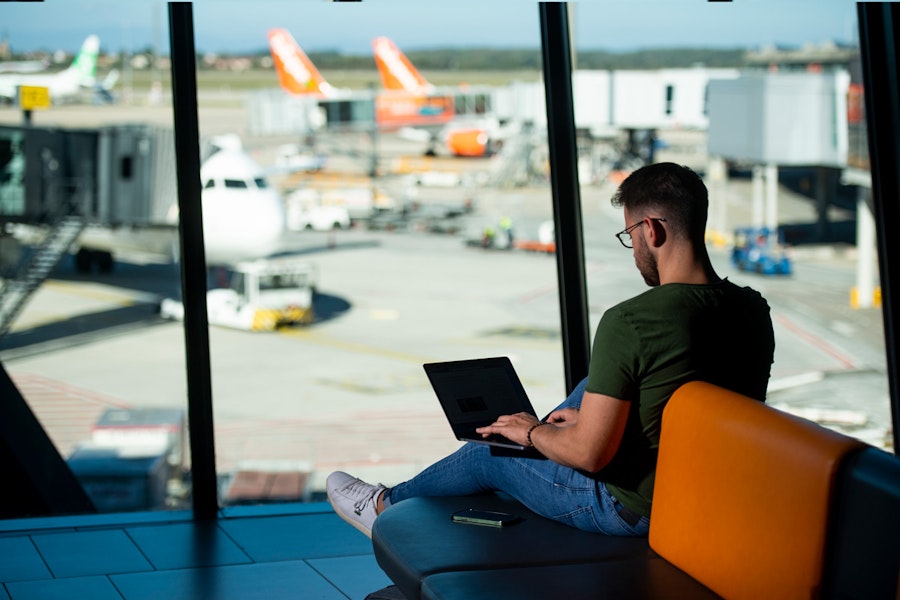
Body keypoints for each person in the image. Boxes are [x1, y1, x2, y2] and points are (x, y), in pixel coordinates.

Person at [326, 162, 775, 538]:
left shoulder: (632, 320)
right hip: (706, 491)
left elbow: (590, 457)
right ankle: (543, 443)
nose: (633, 249)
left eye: (629, 237)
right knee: (585, 393)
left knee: (493, 448)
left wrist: (531, 434)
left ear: (651, 230)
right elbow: (689, 402)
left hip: (635, 509)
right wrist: (583, 423)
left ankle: (383, 506)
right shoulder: (753, 309)